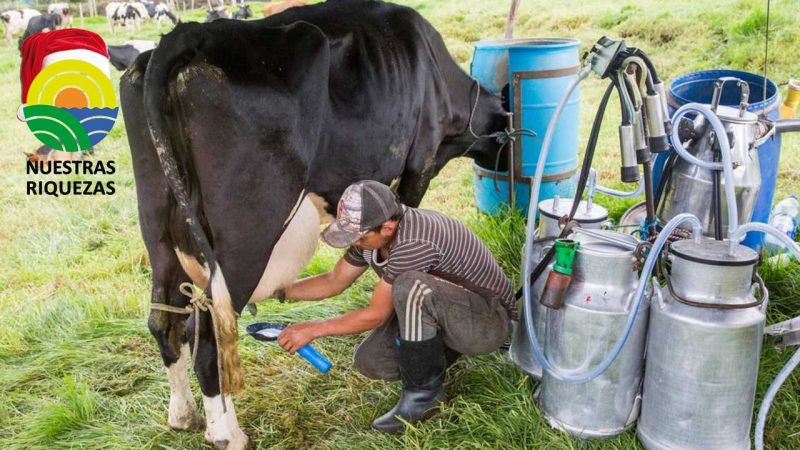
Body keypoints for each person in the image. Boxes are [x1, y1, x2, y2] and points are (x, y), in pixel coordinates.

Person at [276, 180, 514, 432]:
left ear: (388, 227)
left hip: (488, 322)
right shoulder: (371, 237)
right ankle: (435, 357)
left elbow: (376, 315)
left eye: (359, 237)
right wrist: (275, 291)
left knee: (409, 285)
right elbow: (334, 281)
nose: (354, 243)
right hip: (449, 311)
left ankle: (424, 397)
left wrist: (313, 330)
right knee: (372, 361)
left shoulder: (413, 242)